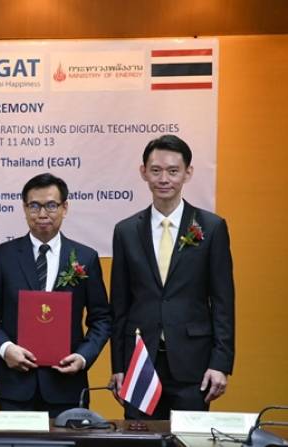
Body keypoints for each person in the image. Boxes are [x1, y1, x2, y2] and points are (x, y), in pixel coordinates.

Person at [110, 134, 235, 419]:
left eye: (173, 171)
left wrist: (220, 363)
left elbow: (223, 301)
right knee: (138, 437)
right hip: (140, 362)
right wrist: (118, 366)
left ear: (187, 173)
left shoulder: (211, 227)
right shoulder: (126, 231)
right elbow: (119, 305)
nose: (164, 179)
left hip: (194, 362)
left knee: (188, 437)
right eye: (156, 170)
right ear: (143, 172)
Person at [0, 173, 111, 418]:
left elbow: (101, 318)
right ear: (24, 208)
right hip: (15, 384)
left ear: (65, 207)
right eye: (34, 206)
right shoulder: (4, 256)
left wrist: (83, 356)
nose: (42, 214)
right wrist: (5, 349)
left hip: (66, 384)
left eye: (51, 205)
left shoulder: (86, 257)